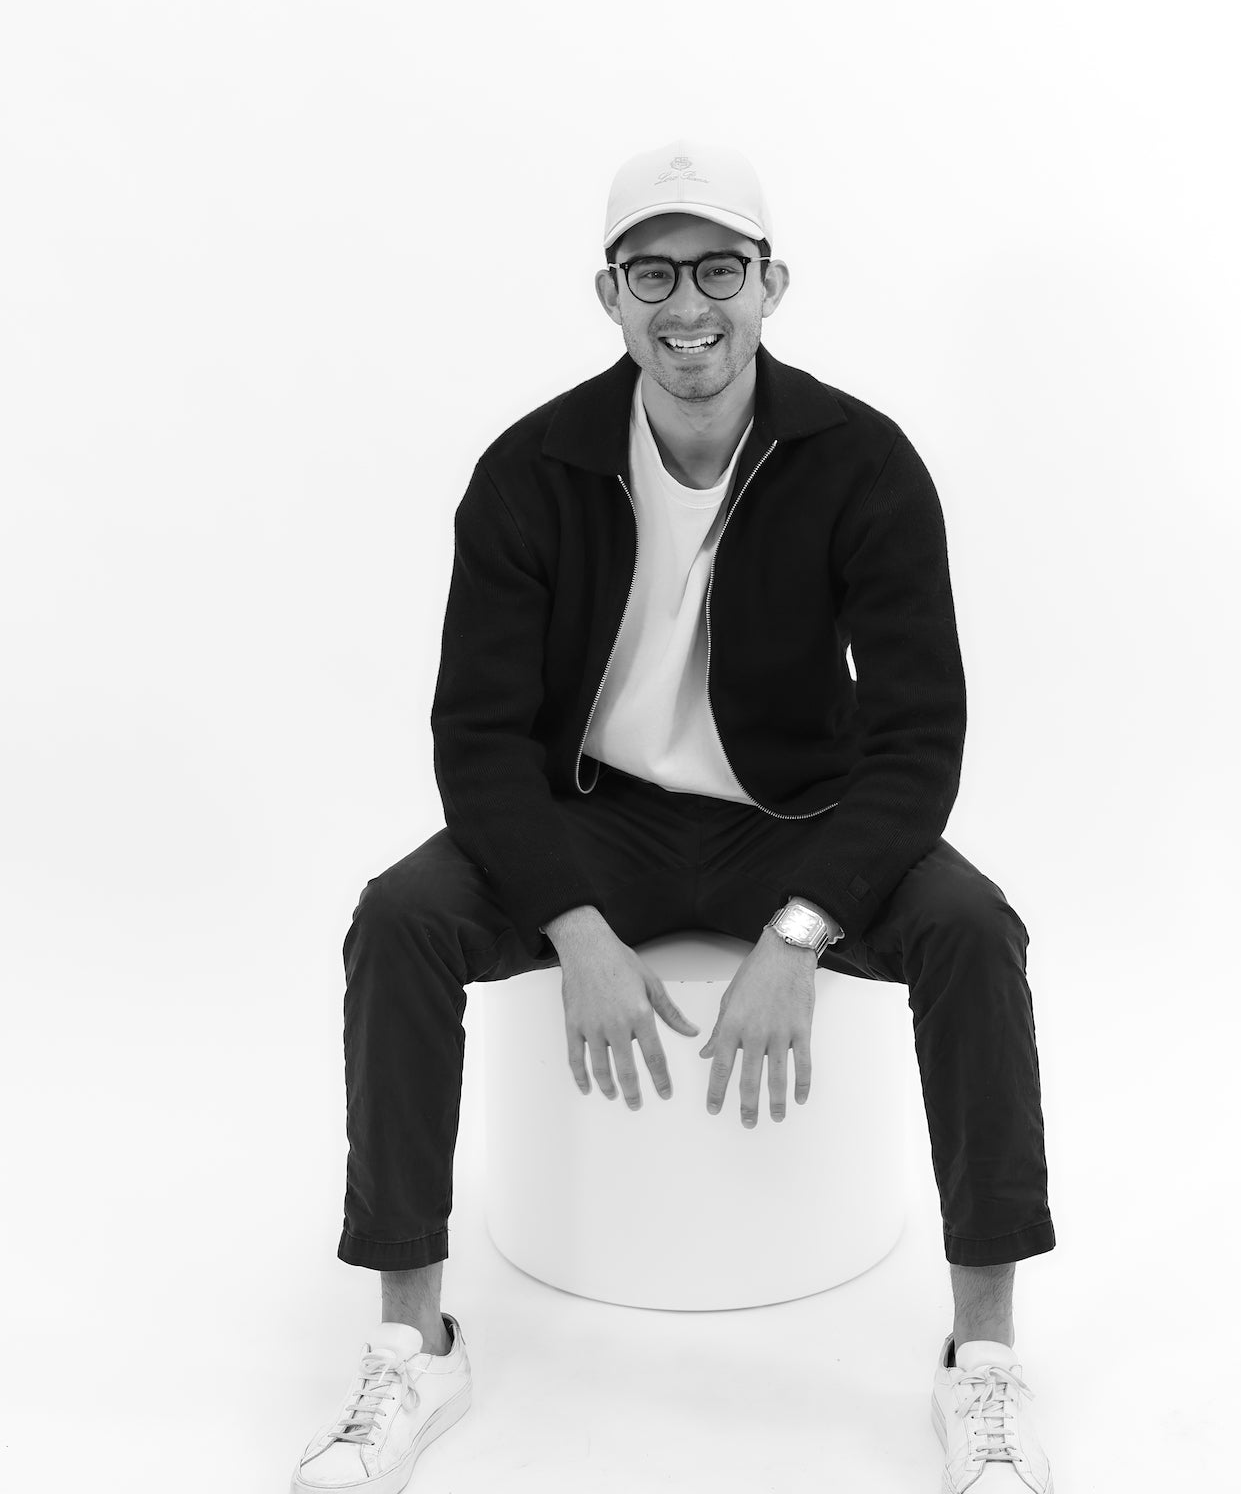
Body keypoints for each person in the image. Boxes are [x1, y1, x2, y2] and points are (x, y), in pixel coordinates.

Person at [291, 141, 1058, 1494]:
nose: (686, 305)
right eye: (654, 271)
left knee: (972, 930)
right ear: (607, 291)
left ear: (771, 284)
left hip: (792, 824)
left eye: (717, 269)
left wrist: (804, 928)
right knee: (401, 919)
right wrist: (571, 925)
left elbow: (914, 736)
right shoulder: (531, 471)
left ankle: (983, 1364)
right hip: (596, 825)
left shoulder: (857, 463)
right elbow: (473, 739)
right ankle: (414, 1341)